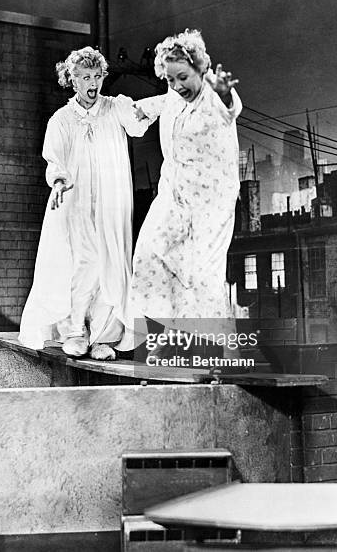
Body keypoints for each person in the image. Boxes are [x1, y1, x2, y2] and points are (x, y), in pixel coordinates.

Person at [19, 47, 148, 360]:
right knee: (84, 264)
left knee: (113, 262)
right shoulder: (62, 119)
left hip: (112, 203)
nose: (92, 82)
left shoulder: (115, 107)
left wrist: (162, 101)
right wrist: (60, 180)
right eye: (85, 77)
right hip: (77, 203)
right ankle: (76, 330)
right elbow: (54, 158)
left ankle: (104, 336)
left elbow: (137, 124)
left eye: (97, 76)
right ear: (72, 81)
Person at [130, 29, 242, 332]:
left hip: (211, 201)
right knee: (150, 255)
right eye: (170, 79)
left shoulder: (211, 93)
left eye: (183, 77)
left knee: (201, 274)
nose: (177, 86)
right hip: (174, 192)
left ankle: (219, 346)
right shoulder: (174, 95)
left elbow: (229, 109)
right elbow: (164, 102)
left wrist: (223, 92)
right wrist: (140, 108)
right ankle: (166, 332)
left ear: (200, 69)